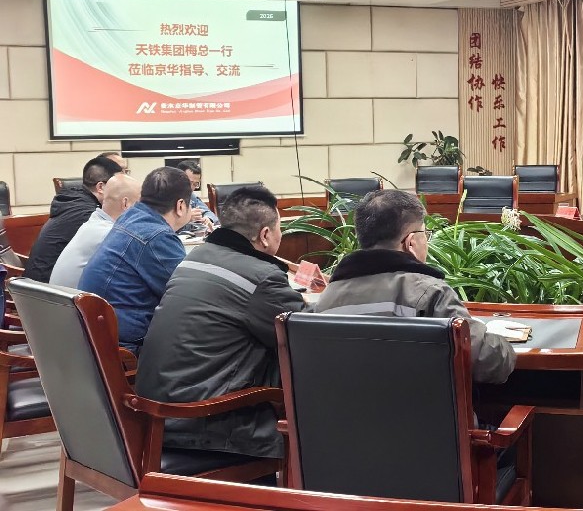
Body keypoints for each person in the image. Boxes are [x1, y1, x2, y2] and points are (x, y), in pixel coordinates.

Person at [136, 186, 305, 459]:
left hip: (155, 413)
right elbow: (306, 335)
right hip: (204, 423)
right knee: (308, 366)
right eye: (279, 229)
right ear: (265, 235)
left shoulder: (195, 257)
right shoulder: (261, 277)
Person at [315, 189, 516, 384]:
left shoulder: (325, 301)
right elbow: (490, 362)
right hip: (422, 408)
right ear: (410, 242)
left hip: (343, 408)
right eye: (425, 233)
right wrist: (499, 341)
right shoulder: (431, 293)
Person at [78, 167, 192, 353]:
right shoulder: (156, 236)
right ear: (180, 206)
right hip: (125, 350)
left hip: (97, 340)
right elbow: (191, 294)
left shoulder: (130, 218)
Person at [23, 156, 124, 282]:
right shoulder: (87, 215)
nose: (123, 191)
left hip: (38, 284)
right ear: (101, 187)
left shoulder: (75, 201)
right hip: (46, 287)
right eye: (118, 186)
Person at [49, 173, 141, 288]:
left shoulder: (93, 223)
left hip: (60, 297)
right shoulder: (112, 235)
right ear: (125, 203)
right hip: (77, 298)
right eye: (140, 204)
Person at [175, 160, 219, 234]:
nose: (192, 188)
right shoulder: (166, 196)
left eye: (195, 184)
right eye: (189, 183)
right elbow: (165, 226)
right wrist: (186, 219)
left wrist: (208, 219)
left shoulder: (191, 196)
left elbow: (208, 212)